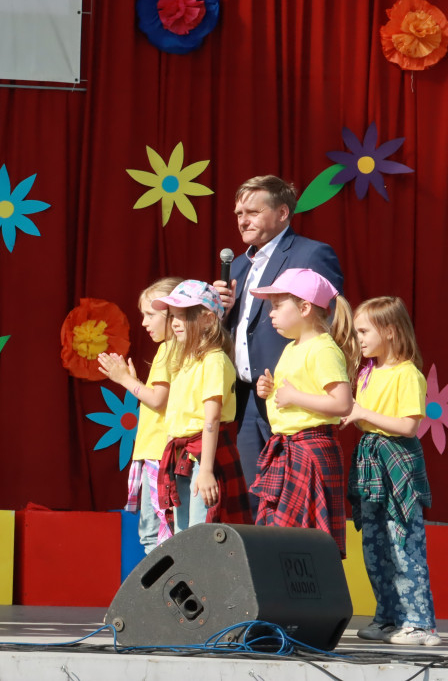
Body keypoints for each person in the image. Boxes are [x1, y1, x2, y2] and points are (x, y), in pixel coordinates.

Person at [214, 175, 343, 515]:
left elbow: (329, 320)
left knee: (295, 501)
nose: (243, 220)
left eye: (253, 212)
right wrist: (220, 313)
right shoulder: (238, 265)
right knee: (258, 498)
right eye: (238, 212)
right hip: (246, 398)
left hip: (290, 396)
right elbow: (238, 331)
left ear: (283, 212)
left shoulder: (311, 253)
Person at [343, 297, 440, 646]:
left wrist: (361, 414)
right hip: (371, 463)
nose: (360, 339)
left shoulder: (408, 373)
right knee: (375, 545)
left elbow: (408, 426)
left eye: (365, 331)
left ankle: (418, 622)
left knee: (403, 543)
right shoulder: (367, 372)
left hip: (396, 461)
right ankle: (387, 616)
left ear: (390, 330)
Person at [250, 269, 356, 555]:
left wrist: (295, 396)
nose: (270, 314)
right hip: (288, 451)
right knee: (281, 544)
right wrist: (269, 391)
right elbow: (291, 395)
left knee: (306, 548)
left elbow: (342, 404)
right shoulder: (291, 348)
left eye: (277, 306)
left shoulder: (323, 349)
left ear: (305, 308)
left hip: (311, 452)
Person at [152, 281, 252, 533]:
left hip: (204, 456)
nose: (174, 323)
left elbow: (212, 418)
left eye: (182, 316)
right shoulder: (185, 360)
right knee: (184, 534)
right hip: (182, 455)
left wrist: (206, 470)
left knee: (201, 532)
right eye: (172, 316)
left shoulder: (214, 360)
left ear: (207, 319)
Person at [98, 276, 182, 554]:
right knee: (156, 533)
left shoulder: (169, 350)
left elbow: (158, 400)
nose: (144, 322)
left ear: (172, 315)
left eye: (150, 315)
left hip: (161, 454)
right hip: (159, 452)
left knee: (156, 536)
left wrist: (124, 380)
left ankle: (166, 596)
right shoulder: (176, 350)